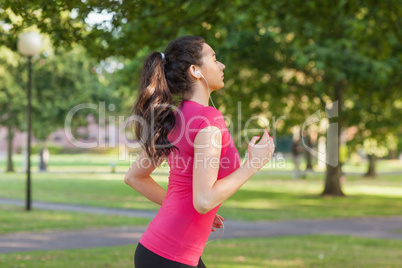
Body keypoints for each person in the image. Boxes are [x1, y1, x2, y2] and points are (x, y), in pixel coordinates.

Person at [124, 36, 275, 268]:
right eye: (214, 58)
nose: (222, 65)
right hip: (170, 256)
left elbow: (134, 177)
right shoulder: (208, 118)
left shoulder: (173, 117)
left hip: (156, 251)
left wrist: (186, 209)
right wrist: (253, 164)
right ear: (195, 71)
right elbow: (204, 200)